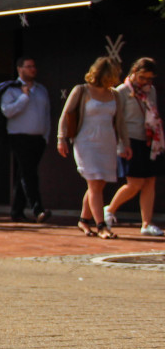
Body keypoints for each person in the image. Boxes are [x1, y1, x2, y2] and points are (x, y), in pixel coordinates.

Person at [58, 56, 131, 239]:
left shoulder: (114, 94)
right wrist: (61, 138)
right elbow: (65, 115)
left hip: (107, 142)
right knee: (94, 182)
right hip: (86, 142)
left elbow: (120, 121)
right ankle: (101, 226)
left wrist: (125, 143)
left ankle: (83, 220)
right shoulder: (81, 90)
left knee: (98, 184)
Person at [105, 57, 163, 236]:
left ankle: (146, 223)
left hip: (150, 140)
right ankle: (109, 209)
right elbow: (117, 120)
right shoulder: (121, 91)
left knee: (149, 182)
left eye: (149, 78)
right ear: (134, 72)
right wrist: (122, 145)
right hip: (130, 139)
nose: (145, 82)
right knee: (135, 183)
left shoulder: (151, 90)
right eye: (142, 77)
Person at [0, 57, 52, 223]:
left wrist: (46, 136)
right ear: (19, 69)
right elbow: (7, 111)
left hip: (38, 138)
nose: (32, 69)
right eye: (28, 66)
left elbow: (46, 114)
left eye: (34, 66)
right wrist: (23, 98)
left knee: (24, 174)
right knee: (29, 173)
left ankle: (17, 210)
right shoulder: (11, 89)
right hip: (19, 137)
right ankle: (38, 209)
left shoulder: (42, 90)